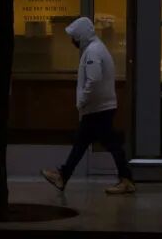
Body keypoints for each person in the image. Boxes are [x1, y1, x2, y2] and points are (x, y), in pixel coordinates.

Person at [42, 16, 135, 195]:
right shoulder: (95, 48)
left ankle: (126, 179)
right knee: (85, 142)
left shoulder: (93, 51)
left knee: (106, 143)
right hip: (99, 107)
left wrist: (82, 101)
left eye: (75, 37)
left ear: (81, 36)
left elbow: (93, 80)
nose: (73, 41)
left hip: (98, 108)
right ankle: (63, 175)